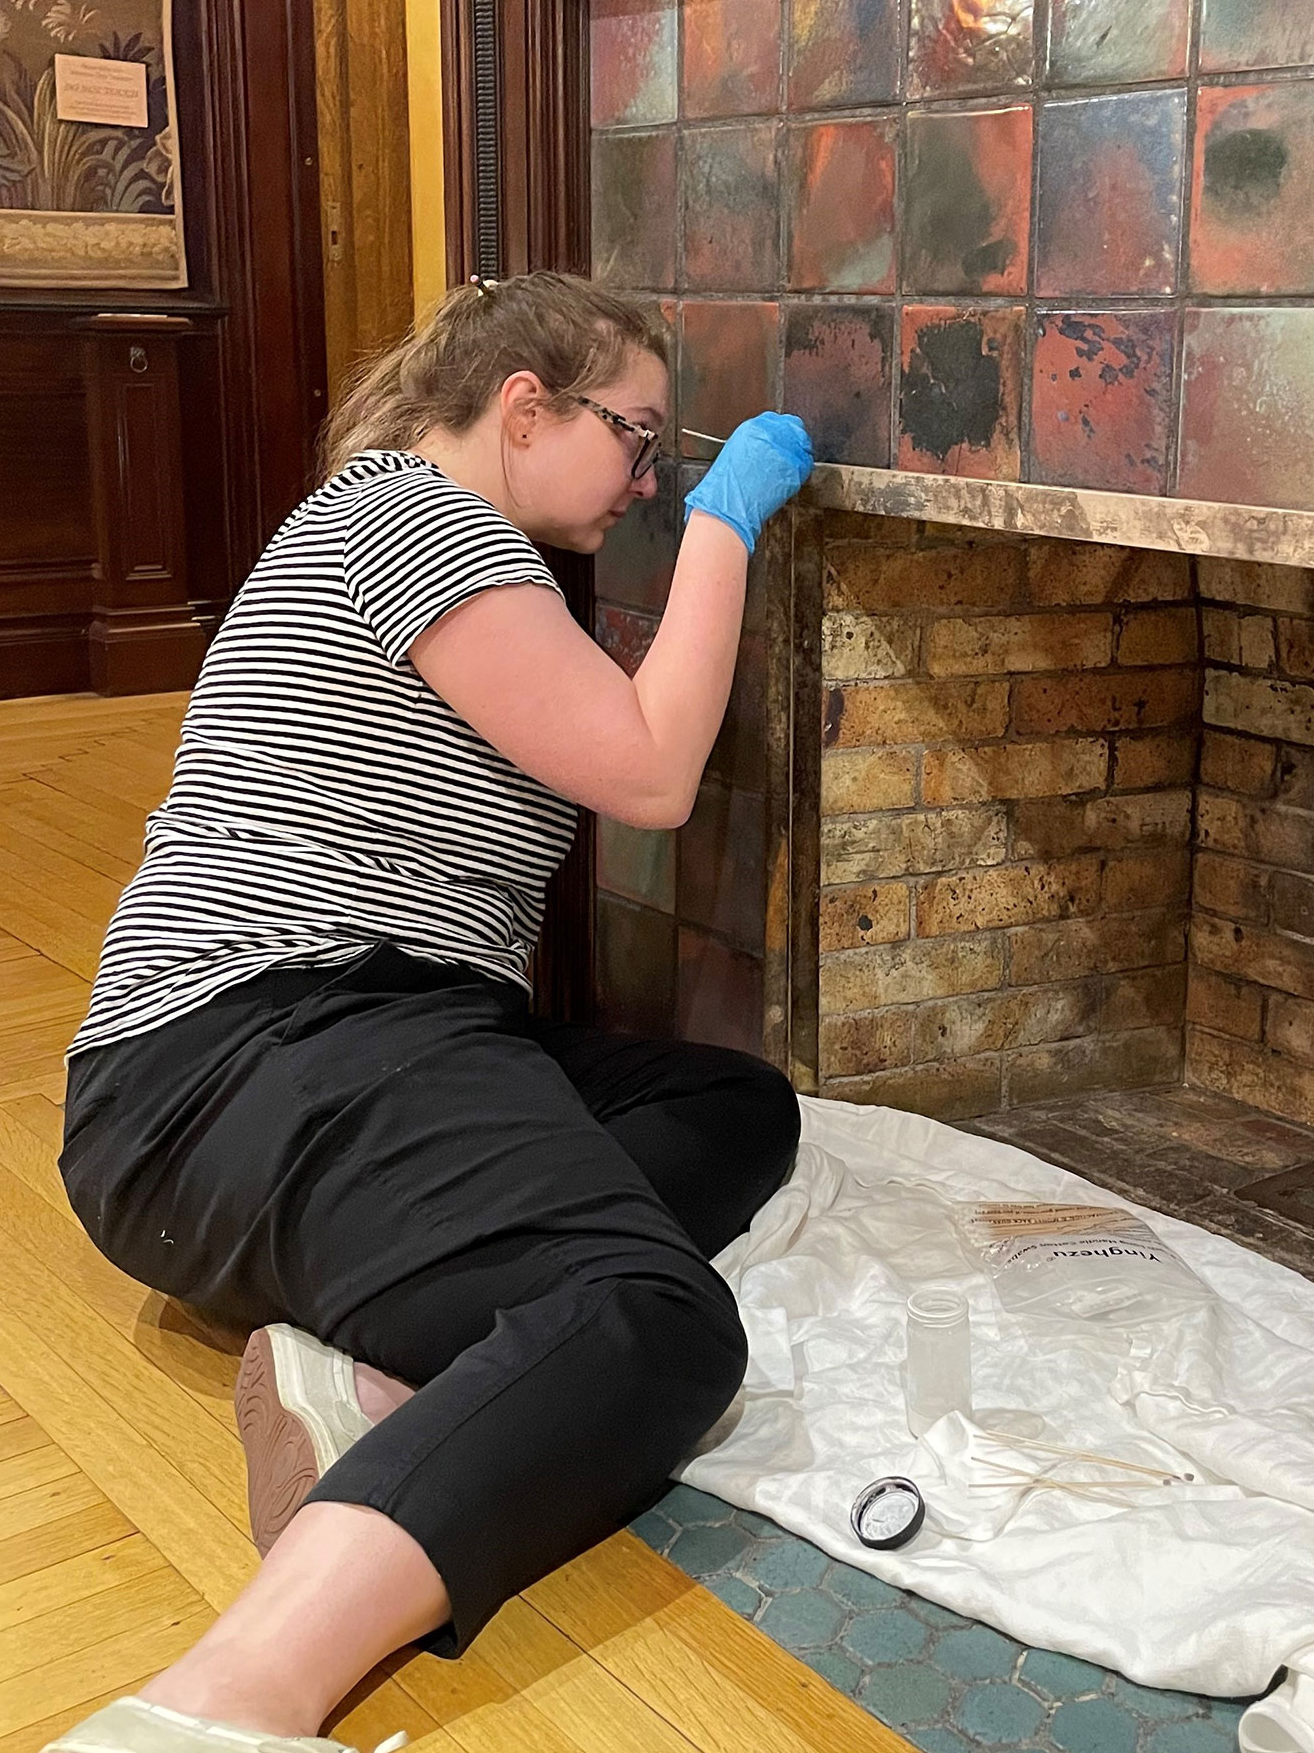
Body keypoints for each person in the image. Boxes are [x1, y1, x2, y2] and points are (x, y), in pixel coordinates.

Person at [45, 272, 815, 1753]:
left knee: (731, 1108)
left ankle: (371, 1346)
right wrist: (727, 526)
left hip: (305, 1066)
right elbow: (651, 775)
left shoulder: (415, 525)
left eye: (670, 463)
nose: (648, 482)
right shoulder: (417, 522)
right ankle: (218, 1705)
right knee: (650, 1319)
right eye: (636, 439)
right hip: (248, 1055)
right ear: (525, 411)